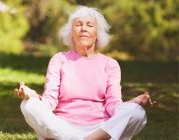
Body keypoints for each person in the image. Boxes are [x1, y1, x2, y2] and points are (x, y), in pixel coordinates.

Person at [14, 6, 155, 140]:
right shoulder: (59, 59)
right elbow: (50, 100)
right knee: (28, 105)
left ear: (97, 34)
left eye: (89, 25)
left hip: (101, 128)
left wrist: (132, 103)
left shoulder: (110, 64)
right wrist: (32, 96)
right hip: (63, 126)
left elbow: (113, 104)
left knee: (137, 112)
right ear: (71, 33)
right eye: (78, 24)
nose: (83, 29)